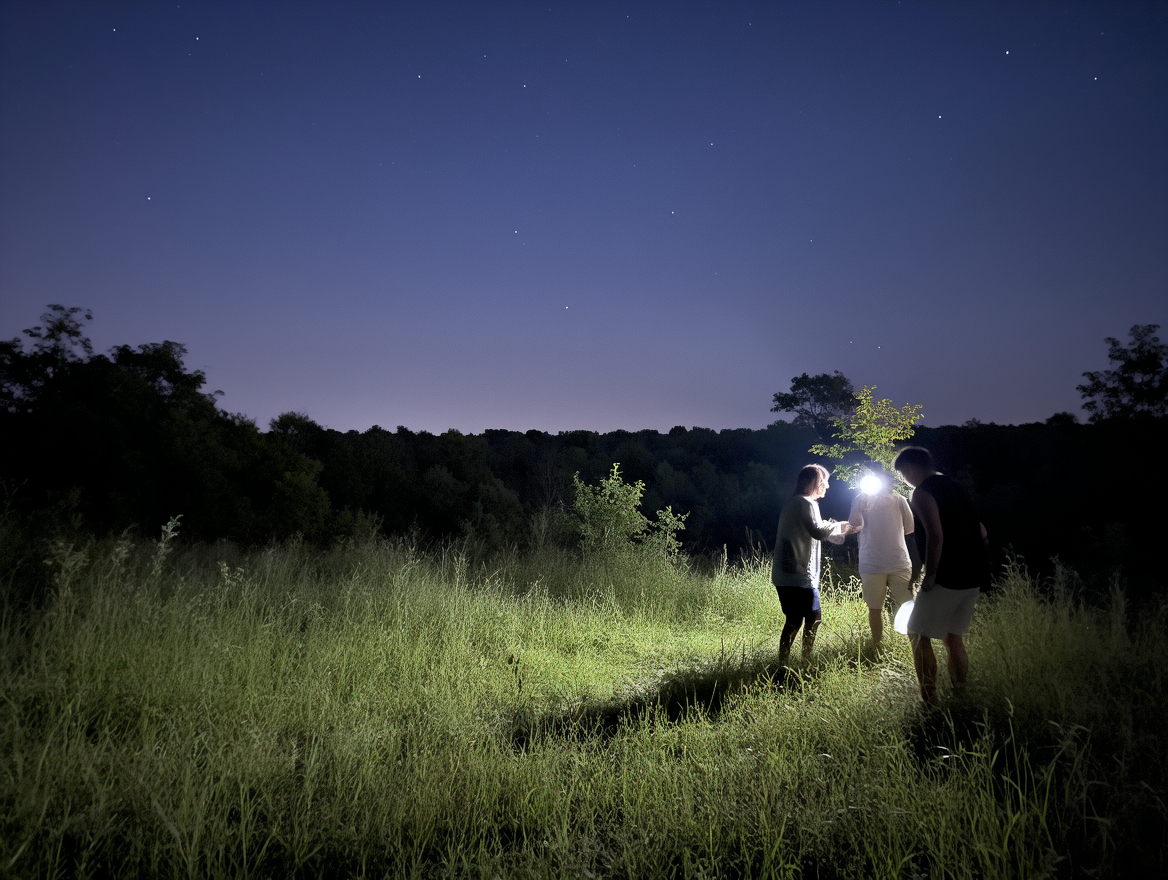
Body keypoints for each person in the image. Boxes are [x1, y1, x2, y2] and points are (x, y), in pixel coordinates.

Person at [893, 446, 990, 707]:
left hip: (947, 575)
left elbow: (936, 536)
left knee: (916, 632)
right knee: (952, 636)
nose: (904, 479)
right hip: (974, 573)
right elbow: (981, 531)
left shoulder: (922, 492)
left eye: (903, 473)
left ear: (911, 468)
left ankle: (929, 703)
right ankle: (960, 696)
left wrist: (931, 574)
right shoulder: (955, 485)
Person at [772, 463, 853, 665]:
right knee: (810, 617)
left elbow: (816, 530)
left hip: (788, 574)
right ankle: (799, 661)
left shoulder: (796, 502)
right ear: (813, 482)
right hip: (797, 575)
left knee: (797, 619)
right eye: (824, 481)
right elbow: (818, 531)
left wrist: (839, 528)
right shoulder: (805, 503)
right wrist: (839, 526)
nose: (827, 485)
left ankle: (787, 662)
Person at [847, 472, 921, 646]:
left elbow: (854, 523)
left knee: (881, 608)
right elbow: (910, 528)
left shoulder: (896, 500)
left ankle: (885, 644)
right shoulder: (867, 499)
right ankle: (911, 643)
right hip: (890, 561)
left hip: (881, 562)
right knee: (903, 605)